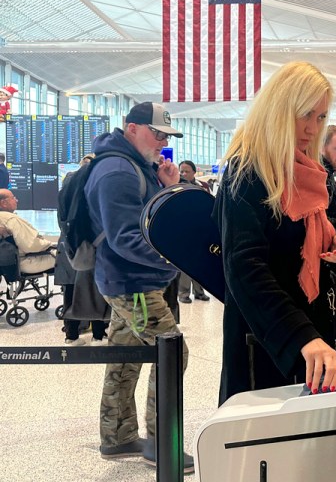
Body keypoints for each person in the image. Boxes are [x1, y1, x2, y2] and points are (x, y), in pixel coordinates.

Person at [214, 61, 336, 404]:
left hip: (311, 336)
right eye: (305, 114)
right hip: (268, 340)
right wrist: (300, 336)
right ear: (280, 108)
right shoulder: (248, 169)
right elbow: (244, 267)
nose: (312, 127)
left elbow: (320, 229)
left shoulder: (307, 169)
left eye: (320, 117)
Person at [85, 102, 194, 472]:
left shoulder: (136, 166)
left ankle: (116, 436)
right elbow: (126, 237)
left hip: (131, 281)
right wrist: (177, 257)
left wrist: (169, 187)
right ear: (131, 128)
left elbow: (150, 220)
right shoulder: (117, 171)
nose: (162, 143)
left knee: (125, 357)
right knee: (172, 353)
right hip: (132, 285)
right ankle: (161, 443)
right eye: (157, 133)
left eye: (167, 136)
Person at [56, 154, 109, 346]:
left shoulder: (66, 191)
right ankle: (98, 334)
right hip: (87, 250)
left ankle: (72, 336)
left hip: (68, 248)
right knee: (94, 291)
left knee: (70, 293)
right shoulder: (89, 194)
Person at [176, 160, 211, 303]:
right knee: (185, 263)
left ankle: (199, 291)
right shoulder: (177, 186)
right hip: (183, 230)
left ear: (194, 172)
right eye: (181, 171)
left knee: (200, 262)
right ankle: (183, 293)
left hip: (199, 229)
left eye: (187, 171)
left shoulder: (203, 186)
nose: (184, 174)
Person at [0, 189, 56, 274]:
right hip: (25, 262)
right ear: (3, 203)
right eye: (13, 198)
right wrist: (50, 244)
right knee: (69, 257)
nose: (16, 200)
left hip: (8, 263)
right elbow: (31, 245)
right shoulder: (11, 219)